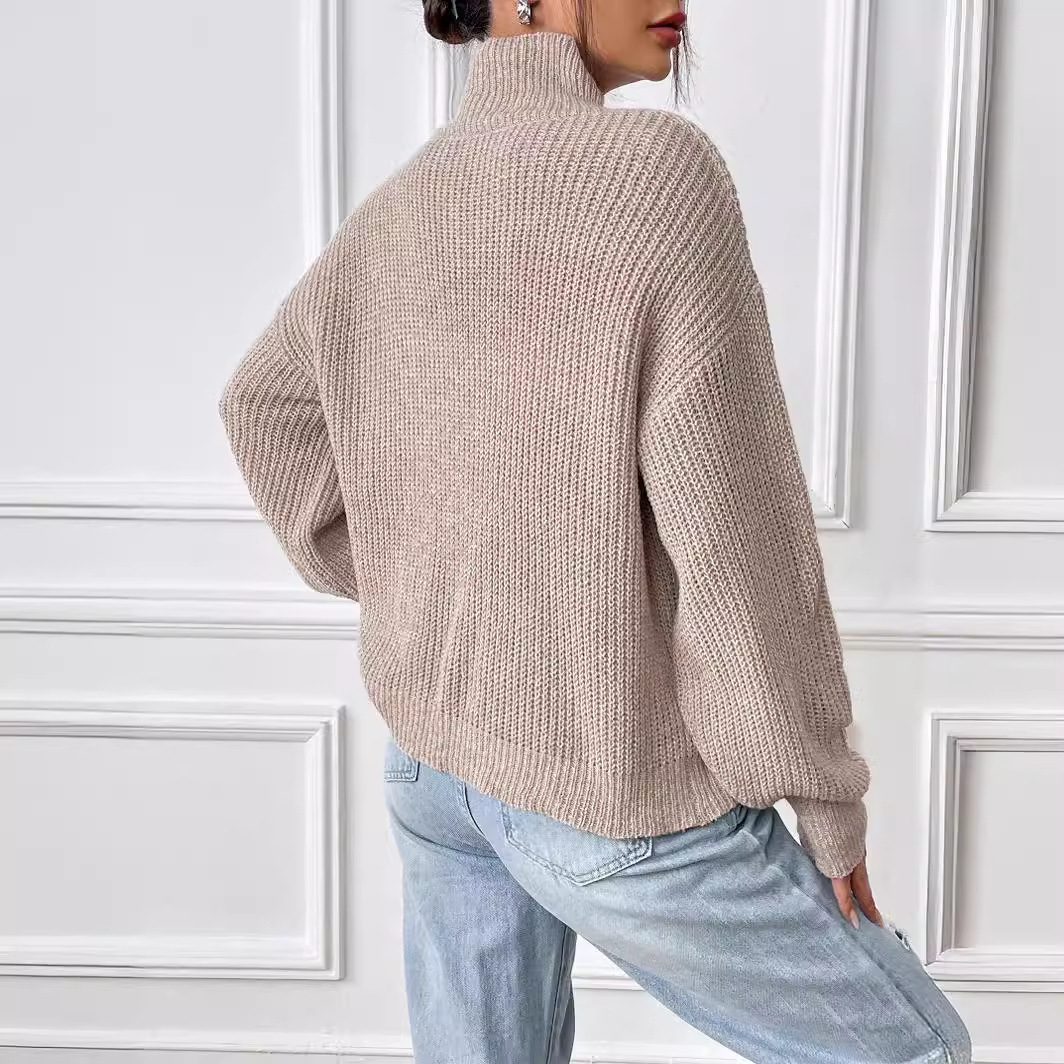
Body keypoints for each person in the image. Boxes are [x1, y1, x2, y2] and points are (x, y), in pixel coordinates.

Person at [218, 1, 973, 1061]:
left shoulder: (405, 202)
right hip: (603, 782)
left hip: (434, 770)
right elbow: (738, 532)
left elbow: (263, 408)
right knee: (916, 1050)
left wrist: (402, 577)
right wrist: (823, 799)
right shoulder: (657, 174)